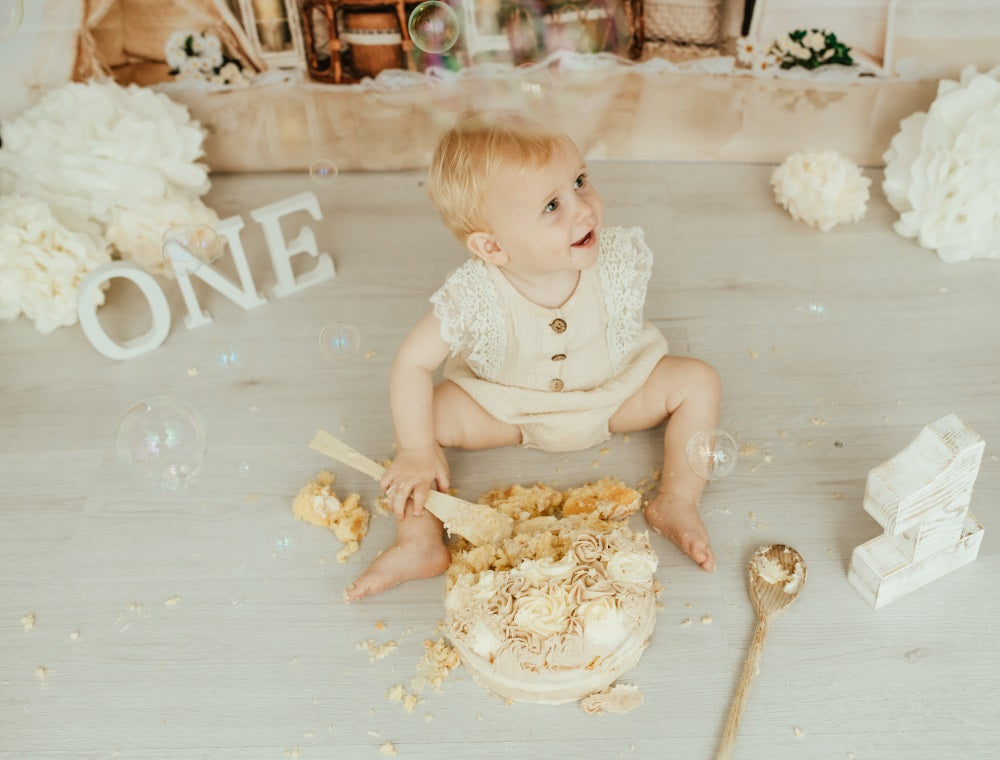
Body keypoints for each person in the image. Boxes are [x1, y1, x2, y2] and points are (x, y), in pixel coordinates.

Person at [345, 111, 721, 602]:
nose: (583, 209)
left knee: (699, 381)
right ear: (492, 246)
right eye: (552, 206)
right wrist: (417, 449)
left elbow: (643, 356)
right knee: (420, 424)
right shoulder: (474, 295)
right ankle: (419, 542)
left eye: (580, 182)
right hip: (507, 408)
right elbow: (412, 362)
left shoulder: (616, 259)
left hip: (613, 393)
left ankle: (678, 500)